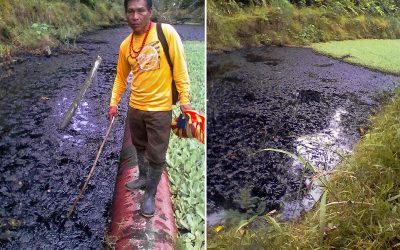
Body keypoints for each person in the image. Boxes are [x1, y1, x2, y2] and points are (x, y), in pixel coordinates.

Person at [108, 0, 192, 217]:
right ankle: (143, 177)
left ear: (150, 12)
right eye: (130, 11)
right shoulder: (125, 45)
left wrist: (185, 100)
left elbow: (180, 68)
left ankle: (150, 195)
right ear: (125, 14)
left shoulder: (167, 33)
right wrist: (113, 103)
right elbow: (120, 78)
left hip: (160, 109)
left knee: (156, 154)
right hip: (135, 107)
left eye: (140, 11)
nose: (135, 16)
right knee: (139, 146)